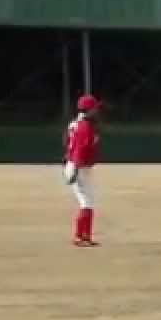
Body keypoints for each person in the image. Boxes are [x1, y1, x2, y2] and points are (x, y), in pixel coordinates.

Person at [63, 94, 101, 247]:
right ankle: (79, 236)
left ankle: (86, 236)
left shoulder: (74, 123)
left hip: (75, 164)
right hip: (78, 166)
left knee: (89, 200)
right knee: (86, 202)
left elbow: (67, 142)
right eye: (94, 108)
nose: (96, 110)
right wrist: (75, 169)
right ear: (88, 109)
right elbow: (79, 149)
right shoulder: (85, 127)